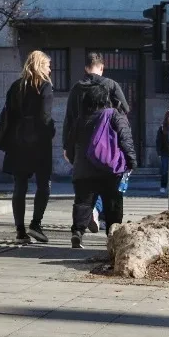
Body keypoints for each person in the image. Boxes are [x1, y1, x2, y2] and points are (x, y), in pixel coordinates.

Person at [62, 52, 130, 233]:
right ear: (102, 67)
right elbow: (125, 110)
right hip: (107, 146)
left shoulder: (77, 88)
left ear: (86, 67)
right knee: (110, 191)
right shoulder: (111, 85)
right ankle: (111, 230)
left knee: (85, 189)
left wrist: (66, 147)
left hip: (81, 145)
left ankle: (82, 225)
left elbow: (69, 119)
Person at [67, 83, 137, 248]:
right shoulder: (114, 115)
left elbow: (70, 145)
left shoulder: (80, 119)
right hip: (110, 170)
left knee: (83, 203)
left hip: (83, 171)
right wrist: (131, 160)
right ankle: (112, 237)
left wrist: (75, 162)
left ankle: (77, 232)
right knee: (113, 203)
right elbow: (125, 139)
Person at [2, 51, 55, 243]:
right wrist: (50, 133)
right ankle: (36, 224)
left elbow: (8, 114)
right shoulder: (45, 86)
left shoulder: (16, 86)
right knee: (44, 185)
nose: (50, 69)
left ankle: (20, 230)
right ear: (41, 66)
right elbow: (45, 117)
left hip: (17, 141)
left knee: (20, 186)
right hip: (39, 143)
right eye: (48, 65)